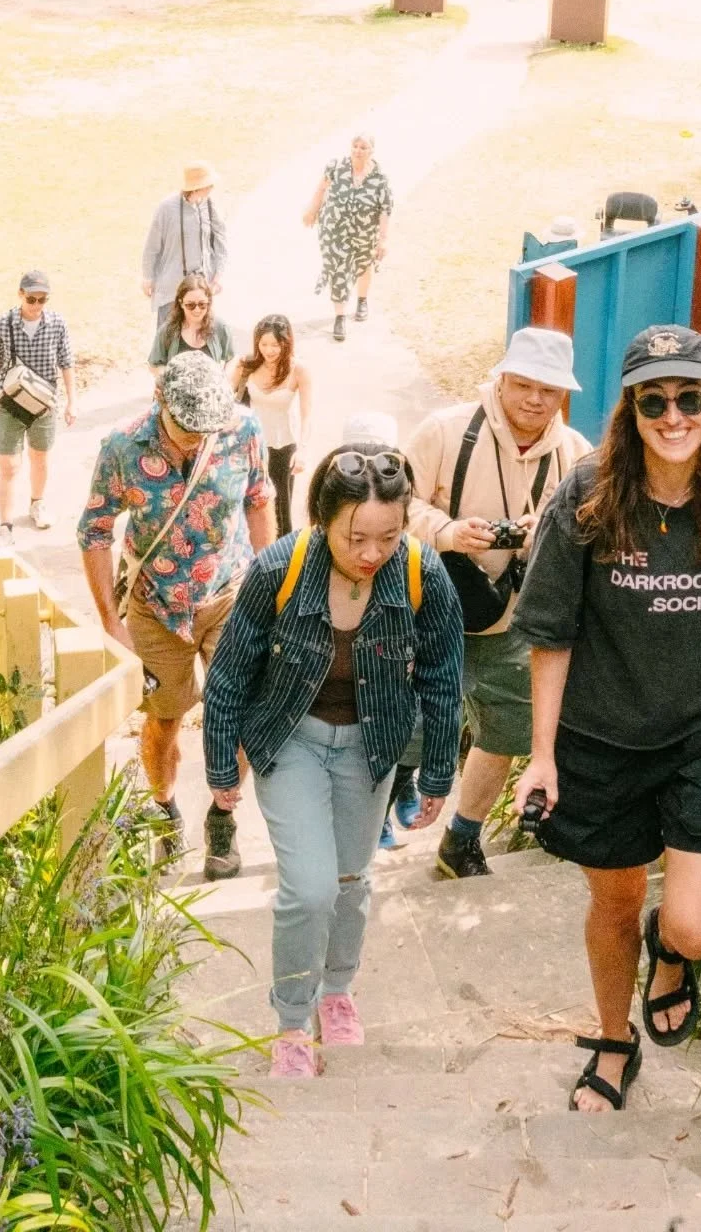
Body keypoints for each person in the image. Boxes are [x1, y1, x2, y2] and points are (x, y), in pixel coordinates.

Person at [512, 324, 701, 1115]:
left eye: (690, 398)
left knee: (697, 925)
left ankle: (672, 954)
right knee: (612, 902)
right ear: (632, 409)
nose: (674, 416)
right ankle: (615, 1041)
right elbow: (552, 635)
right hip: (601, 736)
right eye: (656, 400)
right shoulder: (586, 496)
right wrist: (541, 756)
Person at [202, 442, 463, 1077]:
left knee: (351, 880)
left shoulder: (422, 572)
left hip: (371, 746)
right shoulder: (278, 569)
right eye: (355, 538)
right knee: (310, 887)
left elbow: (443, 676)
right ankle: (292, 1019)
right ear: (322, 521)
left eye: (388, 535)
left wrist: (435, 771)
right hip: (290, 738)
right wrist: (219, 766)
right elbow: (232, 672)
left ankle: (337, 991)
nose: (372, 553)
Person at [78, 352, 275, 877]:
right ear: (160, 401)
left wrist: (268, 583)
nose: (195, 438)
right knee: (163, 719)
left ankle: (222, 818)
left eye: (205, 428)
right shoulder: (123, 446)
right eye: (186, 427)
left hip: (230, 595)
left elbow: (258, 499)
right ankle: (164, 810)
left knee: (236, 714)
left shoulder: (242, 429)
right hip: (156, 607)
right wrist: (111, 625)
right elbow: (94, 531)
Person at [406, 327, 590, 881]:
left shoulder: (577, 455)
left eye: (549, 390)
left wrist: (549, 535)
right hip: (433, 612)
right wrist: (447, 531)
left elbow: (593, 536)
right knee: (406, 730)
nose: (535, 400)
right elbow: (389, 509)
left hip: (516, 622)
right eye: (524, 384)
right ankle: (366, 835)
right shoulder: (444, 430)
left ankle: (462, 837)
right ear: (501, 378)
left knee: (508, 732)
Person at [0, 270, 77, 543]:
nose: (36, 305)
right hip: (9, 400)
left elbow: (67, 363)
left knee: (40, 457)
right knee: (8, 465)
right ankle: (5, 523)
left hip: (43, 401)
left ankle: (38, 503)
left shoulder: (57, 323)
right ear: (20, 295)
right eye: (31, 299)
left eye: (42, 299)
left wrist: (72, 401)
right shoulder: (3, 323)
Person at [303, 133, 393, 342]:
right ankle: (340, 316)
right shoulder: (336, 167)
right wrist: (312, 210)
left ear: (371, 151)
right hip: (334, 231)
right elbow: (321, 188)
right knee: (338, 269)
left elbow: (385, 210)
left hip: (364, 232)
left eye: (363, 147)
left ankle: (362, 300)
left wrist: (383, 239)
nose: (358, 150)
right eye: (355, 146)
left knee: (363, 265)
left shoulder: (380, 178)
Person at [237, 313, 313, 537]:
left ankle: (282, 563)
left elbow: (307, 414)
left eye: (275, 344)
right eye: (264, 344)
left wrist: (303, 450)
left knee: (280, 511)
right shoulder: (248, 365)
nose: (269, 350)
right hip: (250, 445)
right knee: (248, 504)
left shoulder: (298, 370)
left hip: (282, 447)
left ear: (286, 343)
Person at [142, 163, 228, 318]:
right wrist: (148, 277)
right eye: (208, 184)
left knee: (198, 339)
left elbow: (220, 242)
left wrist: (218, 275)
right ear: (196, 187)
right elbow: (152, 246)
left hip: (201, 290)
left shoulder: (209, 206)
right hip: (171, 289)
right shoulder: (167, 208)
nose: (212, 188)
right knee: (168, 339)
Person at [148, 273, 236, 377]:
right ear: (181, 303)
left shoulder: (220, 327)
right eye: (190, 305)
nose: (197, 310)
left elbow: (231, 358)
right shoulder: (168, 330)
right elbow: (154, 364)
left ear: (209, 302)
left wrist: (224, 379)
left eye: (202, 304)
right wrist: (169, 378)